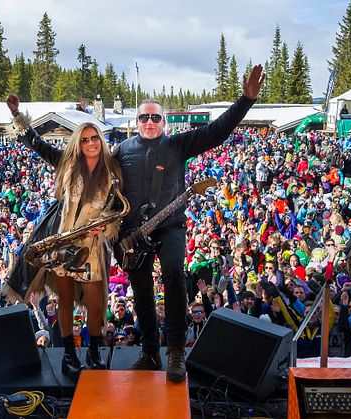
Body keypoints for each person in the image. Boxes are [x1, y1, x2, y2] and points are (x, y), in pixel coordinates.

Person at [115, 64, 265, 382]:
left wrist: (245, 101)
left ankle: (175, 353)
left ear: (164, 122)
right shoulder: (121, 150)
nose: (150, 121)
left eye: (156, 117)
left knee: (173, 274)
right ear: (136, 122)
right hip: (133, 233)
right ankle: (149, 351)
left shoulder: (177, 145)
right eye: (144, 117)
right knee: (140, 289)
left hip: (170, 225)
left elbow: (216, 132)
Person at [5, 94, 123, 380]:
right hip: (62, 246)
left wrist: (106, 226)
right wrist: (18, 115)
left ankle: (94, 351)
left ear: (101, 141)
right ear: (77, 144)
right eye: (85, 139)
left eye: (94, 138)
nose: (91, 143)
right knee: (65, 302)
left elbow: (120, 208)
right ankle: (69, 354)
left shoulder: (114, 169)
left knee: (97, 305)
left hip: (93, 248)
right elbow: (37, 144)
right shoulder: (66, 163)